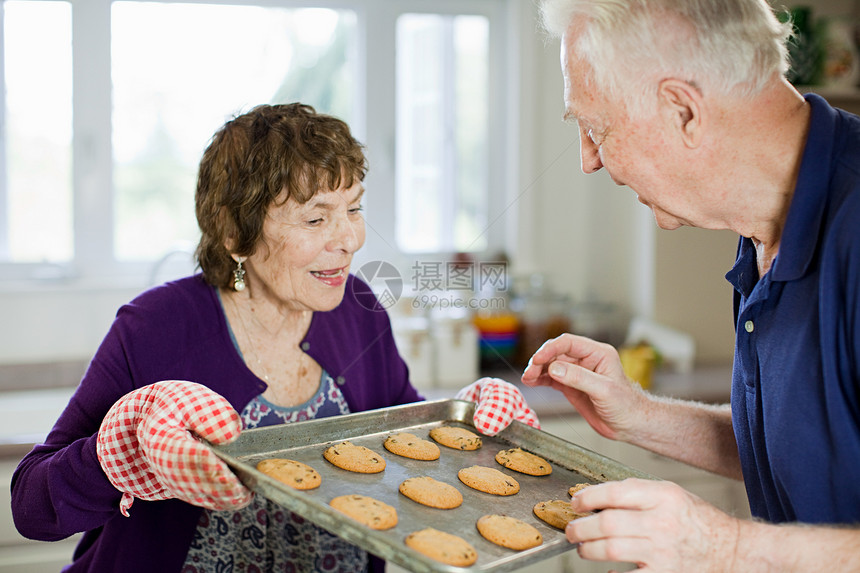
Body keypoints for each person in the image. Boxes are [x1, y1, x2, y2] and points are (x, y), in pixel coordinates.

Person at [11, 103, 538, 573]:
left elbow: (401, 438)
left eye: (353, 208)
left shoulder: (360, 312)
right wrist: (118, 454)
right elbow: (32, 506)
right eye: (316, 218)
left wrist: (470, 418)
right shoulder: (154, 327)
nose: (350, 239)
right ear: (236, 232)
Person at [522, 0, 860, 570]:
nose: (589, 160)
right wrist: (639, 414)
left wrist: (722, 548)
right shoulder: (761, 231)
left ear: (683, 111)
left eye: (595, 129)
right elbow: (802, 442)